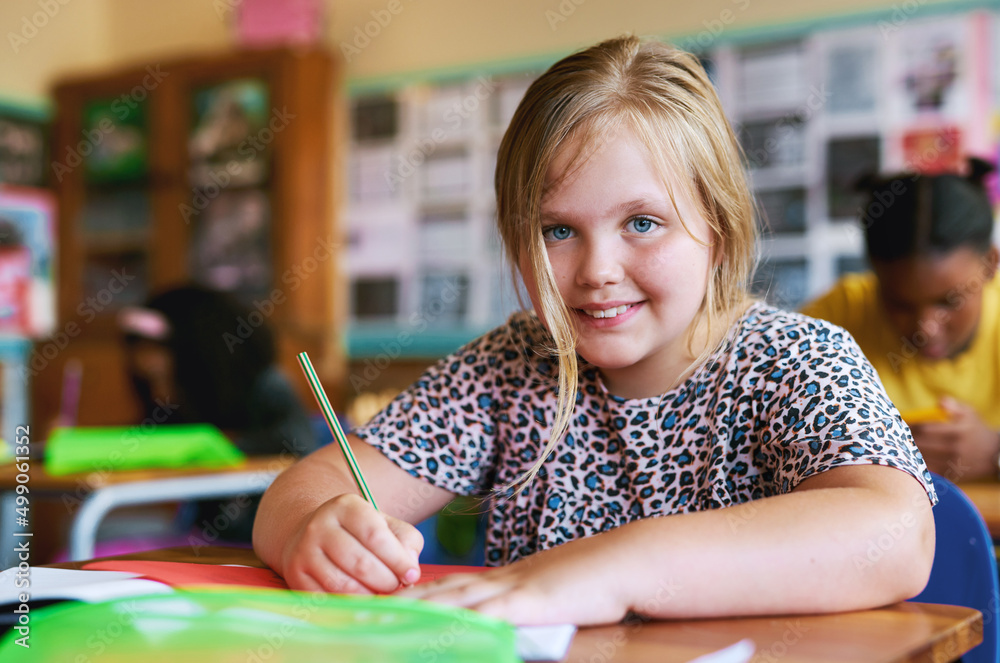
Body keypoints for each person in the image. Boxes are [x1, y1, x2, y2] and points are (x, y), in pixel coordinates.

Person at [254, 36, 935, 626]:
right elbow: (298, 492)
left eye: (642, 222)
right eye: (557, 230)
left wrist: (619, 565)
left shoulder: (796, 359)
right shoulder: (511, 367)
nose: (597, 271)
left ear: (719, 233)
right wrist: (316, 528)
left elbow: (896, 535)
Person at [802, 159, 999, 482]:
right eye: (898, 304)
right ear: (874, 272)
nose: (926, 328)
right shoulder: (833, 322)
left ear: (991, 263)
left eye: (949, 301)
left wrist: (995, 453)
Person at [120, 284, 318, 541]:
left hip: (263, 532)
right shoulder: (191, 398)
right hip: (207, 532)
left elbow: (297, 449)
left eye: (163, 379)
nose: (158, 395)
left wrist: (216, 446)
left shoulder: (268, 386)